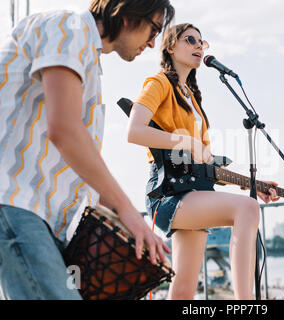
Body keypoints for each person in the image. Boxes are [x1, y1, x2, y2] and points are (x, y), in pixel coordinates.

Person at [0, 0, 175, 300]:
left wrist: (132, 224)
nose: (152, 43)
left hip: (41, 218)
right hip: (15, 203)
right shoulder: (67, 27)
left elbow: (79, 156)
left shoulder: (87, 59)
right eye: (154, 28)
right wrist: (129, 213)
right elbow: (65, 131)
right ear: (128, 11)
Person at [127, 23, 280, 300]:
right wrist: (185, 141)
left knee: (184, 290)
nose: (199, 46)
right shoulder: (158, 82)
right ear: (170, 47)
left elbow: (205, 167)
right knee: (247, 210)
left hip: (194, 192)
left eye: (202, 42)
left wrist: (254, 184)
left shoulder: (193, 100)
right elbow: (134, 131)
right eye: (190, 40)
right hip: (168, 192)